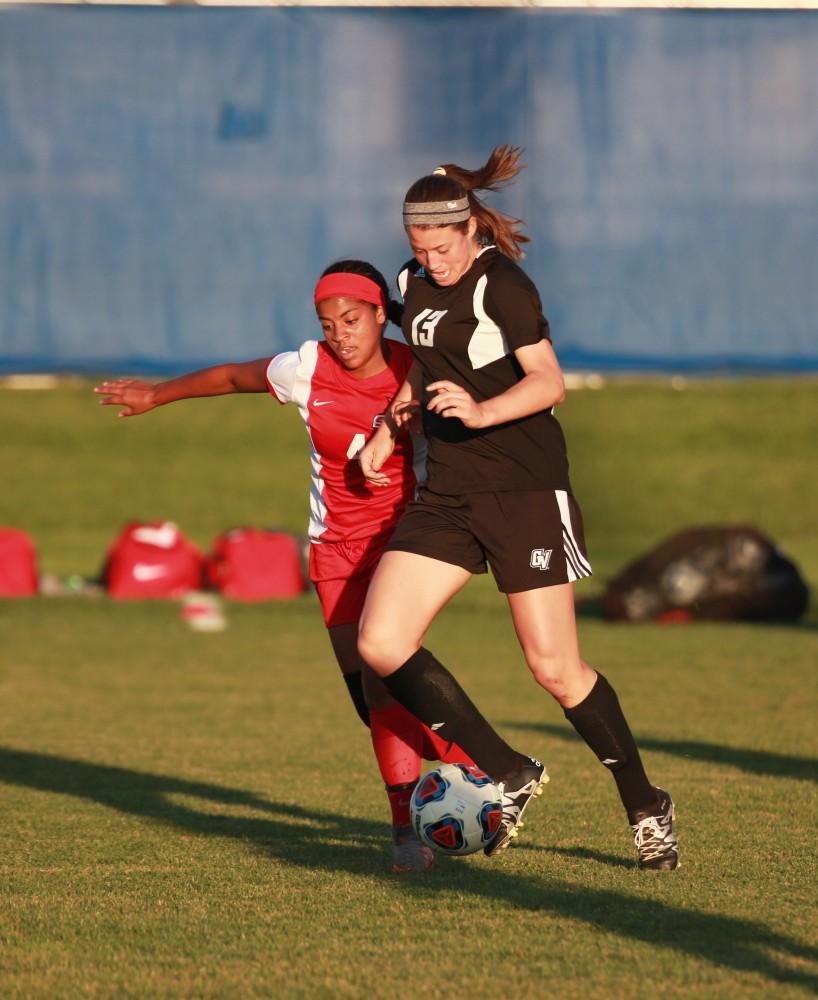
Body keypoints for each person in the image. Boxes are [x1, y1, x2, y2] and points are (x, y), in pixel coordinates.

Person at [357, 147, 679, 869]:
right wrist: (389, 425)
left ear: (470, 228)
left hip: (526, 491)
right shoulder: (414, 282)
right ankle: (508, 769)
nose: (431, 262)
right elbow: (427, 373)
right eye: (419, 249)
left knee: (556, 668)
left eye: (441, 247)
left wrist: (480, 409)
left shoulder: (504, 285)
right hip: (448, 494)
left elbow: (549, 382)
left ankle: (645, 804)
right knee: (380, 642)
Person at [95, 259, 474, 874]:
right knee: (369, 699)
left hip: (404, 541)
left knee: (382, 683)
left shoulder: (416, 369)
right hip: (334, 550)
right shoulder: (306, 369)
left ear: (382, 316)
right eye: (328, 323)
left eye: (352, 320)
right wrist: (157, 394)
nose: (340, 334)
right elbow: (230, 376)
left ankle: (416, 823)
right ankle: (475, 765)